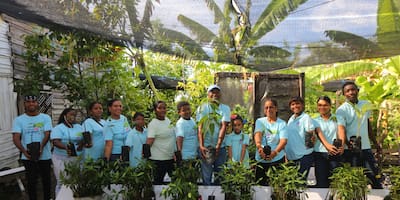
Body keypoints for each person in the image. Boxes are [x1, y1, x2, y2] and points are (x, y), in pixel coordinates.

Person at [336, 81, 383, 189]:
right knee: (352, 180)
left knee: (374, 177)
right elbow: (341, 129)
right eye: (347, 91)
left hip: (366, 147)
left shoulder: (365, 105)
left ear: (358, 91)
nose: (351, 92)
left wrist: (375, 143)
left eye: (353, 89)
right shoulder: (341, 110)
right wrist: (348, 144)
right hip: (350, 150)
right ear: (344, 94)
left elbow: (367, 125)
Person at [12, 94, 53, 200]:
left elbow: (47, 133)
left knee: (46, 181)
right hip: (28, 156)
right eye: (28, 102)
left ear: (37, 103)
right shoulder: (19, 120)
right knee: (31, 182)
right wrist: (24, 151)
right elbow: (16, 137)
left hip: (45, 155)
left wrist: (41, 148)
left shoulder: (45, 117)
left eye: (34, 101)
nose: (31, 104)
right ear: (25, 104)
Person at [196, 85, 231, 185]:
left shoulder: (225, 108)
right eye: (212, 92)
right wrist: (201, 145)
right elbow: (200, 127)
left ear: (220, 94)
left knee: (220, 175)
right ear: (208, 94)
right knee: (206, 175)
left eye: (217, 92)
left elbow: (223, 126)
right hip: (206, 147)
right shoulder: (202, 108)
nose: (215, 94)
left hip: (221, 147)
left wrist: (218, 145)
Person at [253, 99, 287, 186]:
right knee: (260, 186)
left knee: (277, 187)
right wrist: (259, 148)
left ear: (276, 109)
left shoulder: (282, 123)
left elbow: (283, 141)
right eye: (266, 108)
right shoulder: (260, 121)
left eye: (271, 107)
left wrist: (274, 153)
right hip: (261, 158)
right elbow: (258, 134)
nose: (269, 109)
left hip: (277, 159)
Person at [51, 107, 84, 195]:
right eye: (71, 114)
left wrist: (82, 144)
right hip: (61, 158)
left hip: (77, 158)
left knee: (77, 180)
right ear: (65, 116)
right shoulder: (59, 128)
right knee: (62, 181)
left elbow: (84, 138)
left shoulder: (79, 127)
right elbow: (55, 141)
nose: (73, 116)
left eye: (75, 115)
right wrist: (67, 148)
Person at [313, 96, 344, 188]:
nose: (322, 107)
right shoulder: (314, 120)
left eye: (325, 105)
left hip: (335, 152)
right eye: (320, 105)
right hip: (320, 154)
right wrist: (327, 146)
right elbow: (317, 134)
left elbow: (341, 131)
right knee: (321, 182)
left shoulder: (338, 118)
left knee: (335, 182)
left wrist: (341, 146)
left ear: (330, 106)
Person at [284, 96, 316, 179]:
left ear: (302, 105)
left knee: (300, 183)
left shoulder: (306, 118)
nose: (295, 106)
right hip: (292, 157)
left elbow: (310, 136)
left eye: (297, 103)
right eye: (292, 104)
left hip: (303, 156)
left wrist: (307, 153)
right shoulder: (291, 118)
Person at [146, 101, 176, 184]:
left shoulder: (168, 120)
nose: (162, 110)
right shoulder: (153, 124)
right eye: (159, 108)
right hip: (158, 160)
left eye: (164, 108)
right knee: (158, 183)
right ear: (155, 110)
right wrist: (144, 155)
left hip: (170, 158)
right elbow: (149, 141)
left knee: (176, 182)